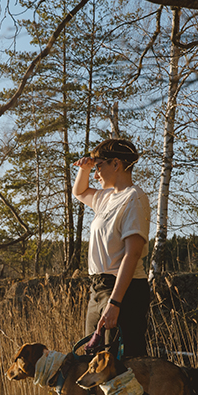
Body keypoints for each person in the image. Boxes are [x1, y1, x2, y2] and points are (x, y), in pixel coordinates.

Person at [72, 138, 151, 357]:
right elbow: (79, 192)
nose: (95, 175)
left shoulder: (134, 198)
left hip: (123, 291)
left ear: (116, 164)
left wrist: (115, 303)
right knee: (92, 361)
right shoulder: (105, 198)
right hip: (97, 289)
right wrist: (85, 168)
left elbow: (132, 253)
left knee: (120, 366)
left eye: (99, 167)